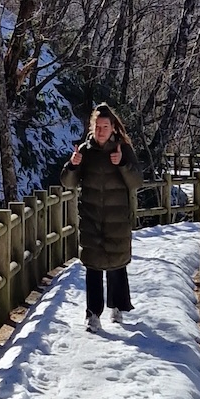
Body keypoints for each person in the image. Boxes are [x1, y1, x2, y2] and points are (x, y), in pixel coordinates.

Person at [62, 102, 143, 331]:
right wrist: (72, 165)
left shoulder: (123, 149)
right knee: (93, 268)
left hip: (117, 218)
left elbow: (137, 181)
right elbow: (68, 182)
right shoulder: (84, 152)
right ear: (92, 127)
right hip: (91, 218)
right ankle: (92, 314)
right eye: (97, 127)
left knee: (117, 265)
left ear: (113, 128)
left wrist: (123, 164)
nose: (101, 131)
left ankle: (117, 307)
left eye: (105, 127)